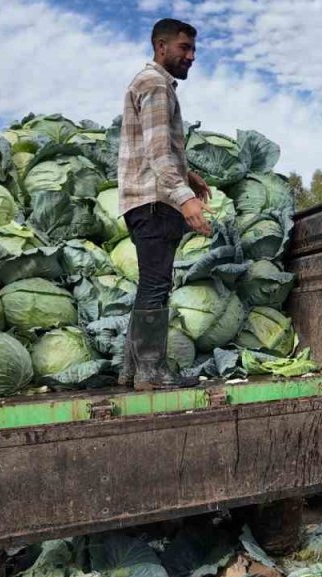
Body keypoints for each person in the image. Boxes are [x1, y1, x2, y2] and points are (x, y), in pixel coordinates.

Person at [117, 18, 214, 390]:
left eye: (192, 50)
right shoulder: (157, 84)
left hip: (142, 200)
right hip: (155, 203)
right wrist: (185, 199)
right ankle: (151, 372)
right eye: (183, 48)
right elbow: (158, 153)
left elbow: (152, 146)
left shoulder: (147, 83)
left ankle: (132, 371)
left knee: (149, 285)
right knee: (156, 285)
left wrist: (189, 174)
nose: (191, 56)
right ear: (161, 46)